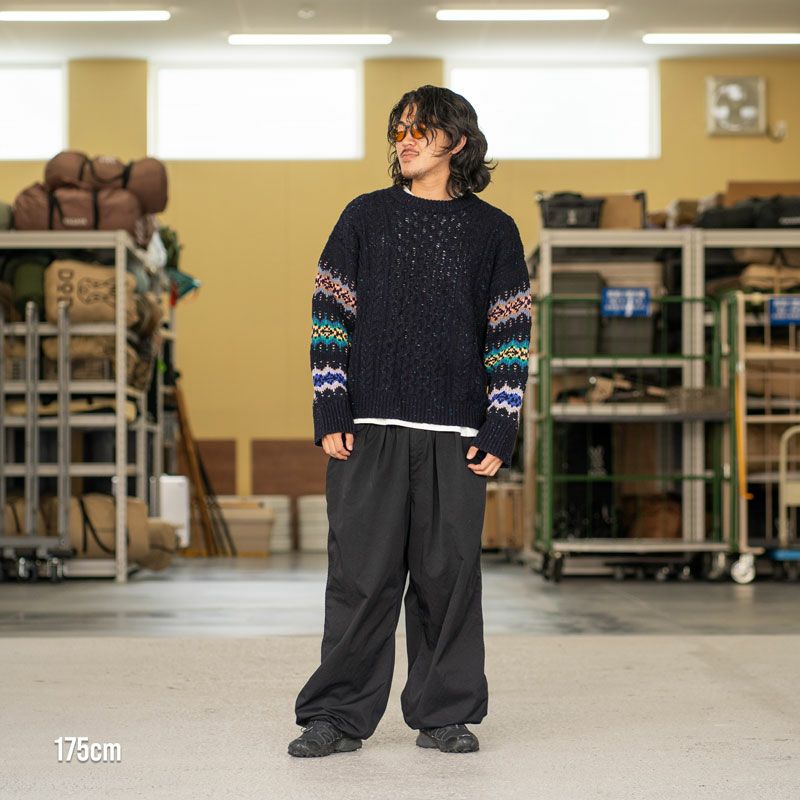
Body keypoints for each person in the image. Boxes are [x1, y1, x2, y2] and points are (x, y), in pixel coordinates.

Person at [289, 84, 532, 757]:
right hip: (367, 428)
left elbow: (510, 335)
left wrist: (501, 423)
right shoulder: (365, 216)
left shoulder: (494, 231)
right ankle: (336, 715)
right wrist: (330, 405)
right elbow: (329, 314)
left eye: (420, 129)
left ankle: (444, 713)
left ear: (457, 141)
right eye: (399, 129)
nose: (405, 140)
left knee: (447, 580)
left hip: (455, 436)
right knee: (360, 578)